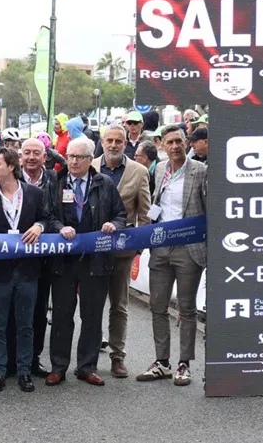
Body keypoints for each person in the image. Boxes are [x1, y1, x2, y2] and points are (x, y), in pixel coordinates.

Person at [45, 138, 126, 387]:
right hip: (65, 260)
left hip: (95, 260)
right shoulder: (56, 183)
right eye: (70, 156)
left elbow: (120, 214)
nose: (73, 161)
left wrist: (114, 225)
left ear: (91, 160)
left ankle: (87, 366)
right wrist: (60, 227)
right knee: (61, 315)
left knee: (92, 315)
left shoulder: (105, 183)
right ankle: (59, 366)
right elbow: (47, 215)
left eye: (79, 157)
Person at [137, 125, 207, 387]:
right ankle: (162, 362)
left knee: (186, 309)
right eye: (170, 142)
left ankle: (184, 364)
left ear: (187, 143)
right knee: (158, 306)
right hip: (160, 247)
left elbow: (209, 210)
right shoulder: (160, 170)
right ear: (162, 145)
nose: (175, 146)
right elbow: (157, 207)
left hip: (189, 249)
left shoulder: (200, 171)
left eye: (179, 141)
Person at [0, 147, 47, 393]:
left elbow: (47, 218)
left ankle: (25, 370)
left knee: (25, 323)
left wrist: (39, 225)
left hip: (28, 271)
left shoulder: (35, 194)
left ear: (11, 166)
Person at [91, 125, 151, 378]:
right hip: (92, 248)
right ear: (102, 142)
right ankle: (89, 355)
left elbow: (145, 213)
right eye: (109, 140)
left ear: (126, 143)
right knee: (92, 305)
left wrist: (137, 245)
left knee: (119, 305)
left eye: (118, 141)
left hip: (123, 248)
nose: (114, 145)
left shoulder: (139, 171)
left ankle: (118, 356)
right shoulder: (90, 165)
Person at [13, 138, 58, 378]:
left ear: (45, 157)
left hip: (43, 257)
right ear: (20, 157)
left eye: (36, 153)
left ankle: (33, 358)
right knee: (13, 310)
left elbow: (55, 213)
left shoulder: (54, 180)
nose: (31, 157)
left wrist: (43, 226)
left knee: (39, 311)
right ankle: (12, 360)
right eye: (27, 152)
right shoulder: (10, 177)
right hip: (13, 258)